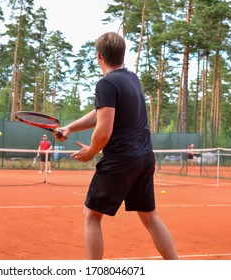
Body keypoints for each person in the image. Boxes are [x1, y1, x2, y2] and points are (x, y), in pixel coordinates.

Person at [55, 32, 178, 260]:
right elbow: (101, 111)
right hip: (144, 158)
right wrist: (70, 128)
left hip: (121, 160)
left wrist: (91, 151)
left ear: (99, 56)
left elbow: (104, 130)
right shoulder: (132, 78)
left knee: (91, 216)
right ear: (122, 54)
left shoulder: (106, 83)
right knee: (149, 216)